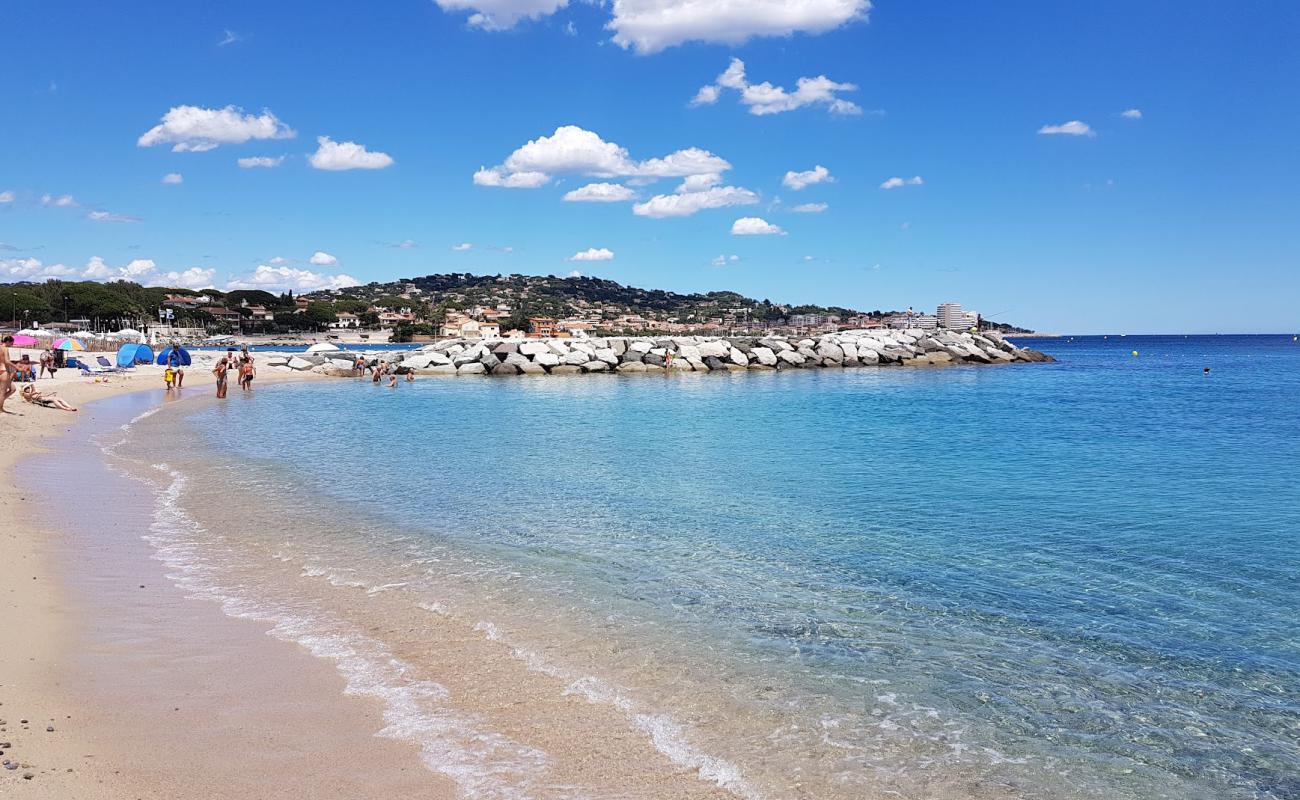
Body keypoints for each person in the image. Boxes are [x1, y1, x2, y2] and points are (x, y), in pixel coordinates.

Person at [0, 335, 16, 414]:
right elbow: (7, 361)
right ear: (7, 341)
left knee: (13, 389)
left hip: (1, 370)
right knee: (2, 392)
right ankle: (0, 409)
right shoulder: (5, 348)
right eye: (11, 343)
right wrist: (16, 366)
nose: (11, 345)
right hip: (4, 371)